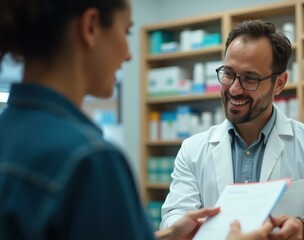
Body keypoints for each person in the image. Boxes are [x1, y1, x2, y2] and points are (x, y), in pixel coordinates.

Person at [0, 1, 276, 239]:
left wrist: (167, 235)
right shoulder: (89, 160)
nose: (128, 53)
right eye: (126, 31)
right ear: (91, 27)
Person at [161, 19, 304, 240]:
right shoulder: (193, 150)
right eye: (228, 73)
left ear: (279, 83)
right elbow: (174, 217)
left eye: (250, 79)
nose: (235, 89)